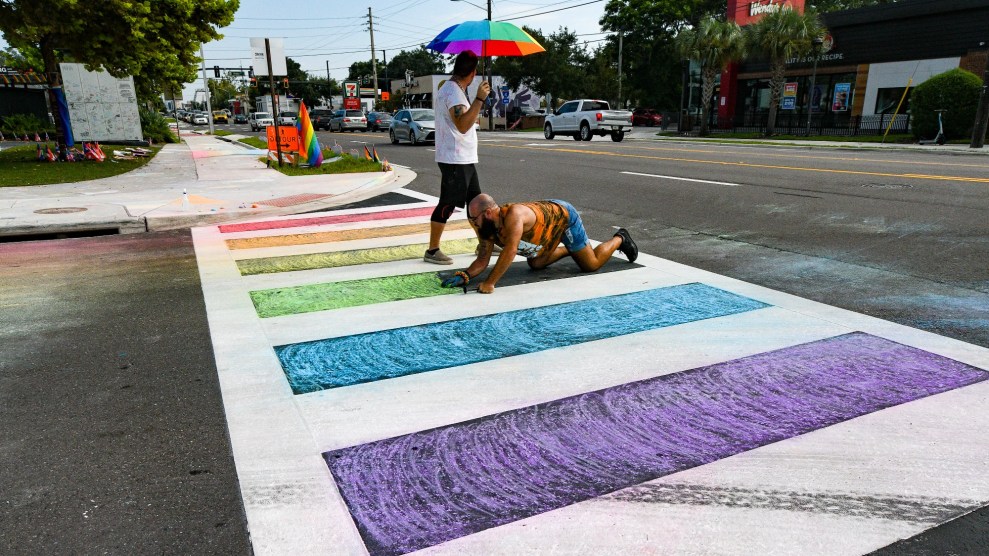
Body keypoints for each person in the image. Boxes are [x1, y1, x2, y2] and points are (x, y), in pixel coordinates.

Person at [441, 194, 638, 294]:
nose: (473, 224)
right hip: (546, 230)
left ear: (488, 213)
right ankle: (571, 249)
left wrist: (490, 283)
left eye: (475, 219)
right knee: (535, 263)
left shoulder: (513, 216)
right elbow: (483, 259)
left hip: (563, 218)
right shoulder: (486, 227)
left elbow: (509, 250)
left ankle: (620, 238)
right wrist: (465, 275)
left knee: (590, 264)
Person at [423, 50, 492, 265]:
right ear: (472, 73)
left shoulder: (453, 89)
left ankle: (484, 242)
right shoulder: (453, 92)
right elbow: (462, 125)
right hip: (455, 158)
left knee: (476, 203)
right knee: (448, 204)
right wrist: (480, 99)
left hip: (463, 158)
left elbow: (462, 122)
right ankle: (433, 250)